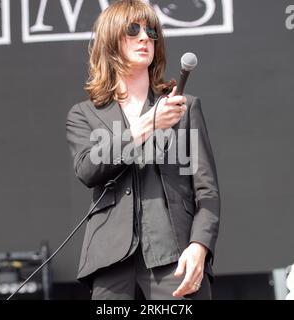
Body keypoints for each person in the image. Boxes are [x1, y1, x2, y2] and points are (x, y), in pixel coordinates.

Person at [66, 0, 220, 300]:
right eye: (133, 29)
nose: (144, 37)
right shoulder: (83, 114)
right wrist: (148, 124)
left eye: (151, 31)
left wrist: (199, 246)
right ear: (110, 40)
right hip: (110, 263)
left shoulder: (184, 108)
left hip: (176, 258)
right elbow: (87, 169)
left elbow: (208, 192)